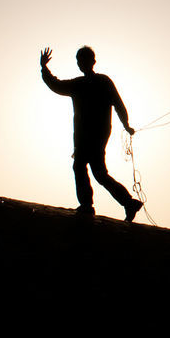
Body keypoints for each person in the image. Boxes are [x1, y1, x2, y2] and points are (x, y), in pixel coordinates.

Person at [40, 46, 143, 222]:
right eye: (79, 61)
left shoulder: (98, 82)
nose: (81, 64)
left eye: (83, 60)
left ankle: (88, 206)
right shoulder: (82, 83)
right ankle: (128, 203)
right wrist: (45, 69)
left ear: (92, 62)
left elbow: (118, 104)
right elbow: (56, 85)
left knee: (82, 167)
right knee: (99, 172)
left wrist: (126, 124)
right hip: (92, 135)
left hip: (93, 135)